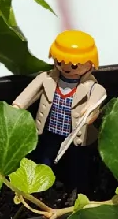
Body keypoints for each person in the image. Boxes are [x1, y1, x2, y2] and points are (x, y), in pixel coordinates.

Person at [14, 30, 107, 173]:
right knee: (44, 160)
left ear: (90, 65)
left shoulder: (91, 87)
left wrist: (91, 110)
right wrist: (18, 105)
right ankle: (41, 188)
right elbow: (30, 92)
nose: (65, 68)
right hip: (50, 131)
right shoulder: (47, 78)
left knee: (77, 165)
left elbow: (98, 96)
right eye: (59, 62)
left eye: (74, 65)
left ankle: (76, 190)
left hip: (75, 136)